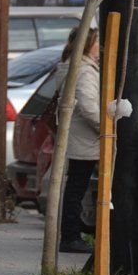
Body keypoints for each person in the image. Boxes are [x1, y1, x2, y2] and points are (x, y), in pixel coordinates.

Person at [53, 27, 99, 254]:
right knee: (77, 188)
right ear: (89, 44)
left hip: (77, 136)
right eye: (97, 41)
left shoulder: (73, 66)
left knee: (75, 188)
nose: (100, 46)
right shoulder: (85, 70)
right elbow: (89, 107)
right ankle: (71, 237)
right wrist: (108, 126)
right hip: (85, 139)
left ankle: (70, 235)